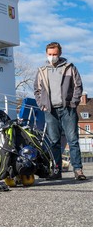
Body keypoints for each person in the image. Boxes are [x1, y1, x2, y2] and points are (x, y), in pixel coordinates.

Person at [34, 42, 86, 180]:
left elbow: (78, 86)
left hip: (68, 109)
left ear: (60, 54)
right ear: (46, 54)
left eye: (55, 54)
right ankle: (56, 171)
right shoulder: (42, 70)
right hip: (50, 111)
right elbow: (37, 90)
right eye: (50, 54)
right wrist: (42, 105)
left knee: (73, 140)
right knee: (54, 141)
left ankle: (78, 170)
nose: (52, 57)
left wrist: (73, 103)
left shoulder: (70, 68)